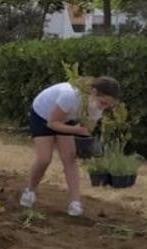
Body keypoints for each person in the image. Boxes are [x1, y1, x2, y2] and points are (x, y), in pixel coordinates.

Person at [21, 77, 121, 216]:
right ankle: (29, 191)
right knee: (44, 158)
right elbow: (52, 124)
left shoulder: (97, 107)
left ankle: (75, 203)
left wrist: (88, 144)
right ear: (93, 92)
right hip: (42, 116)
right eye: (103, 102)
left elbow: (86, 129)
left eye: (108, 106)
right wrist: (77, 130)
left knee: (70, 158)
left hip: (66, 119)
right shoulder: (70, 95)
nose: (104, 107)